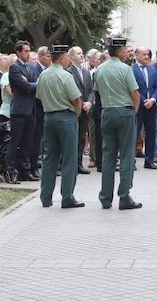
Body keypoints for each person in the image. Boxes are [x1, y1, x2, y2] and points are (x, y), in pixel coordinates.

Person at [95, 37, 143, 210]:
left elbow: (98, 92)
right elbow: (135, 94)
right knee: (127, 155)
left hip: (107, 111)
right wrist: (134, 111)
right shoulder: (125, 69)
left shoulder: (99, 69)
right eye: (125, 49)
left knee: (108, 155)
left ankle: (105, 197)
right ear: (120, 51)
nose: (126, 52)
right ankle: (124, 196)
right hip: (125, 112)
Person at [36, 45, 85, 208]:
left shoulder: (43, 75)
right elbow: (76, 100)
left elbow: (39, 96)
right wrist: (75, 115)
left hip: (49, 117)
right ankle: (67, 196)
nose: (68, 60)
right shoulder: (66, 75)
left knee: (49, 157)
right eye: (67, 57)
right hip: (66, 117)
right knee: (69, 158)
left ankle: (46, 196)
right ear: (62, 58)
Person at [8, 41, 40, 182]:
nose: (28, 53)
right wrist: (34, 84)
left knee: (28, 142)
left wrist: (33, 84)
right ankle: (10, 170)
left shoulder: (32, 67)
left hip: (31, 108)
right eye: (25, 51)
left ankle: (25, 170)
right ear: (19, 52)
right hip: (20, 110)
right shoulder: (14, 67)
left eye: (29, 50)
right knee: (15, 142)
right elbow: (25, 86)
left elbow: (33, 84)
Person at [67, 46, 94, 176]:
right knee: (73, 138)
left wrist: (89, 102)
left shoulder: (86, 72)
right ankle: (71, 164)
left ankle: (79, 163)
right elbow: (72, 91)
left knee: (82, 138)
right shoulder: (68, 72)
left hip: (86, 110)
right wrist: (82, 103)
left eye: (82, 53)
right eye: (78, 53)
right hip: (75, 109)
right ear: (71, 56)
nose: (81, 55)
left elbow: (91, 90)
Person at [132, 47, 157, 169]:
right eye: (144, 54)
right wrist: (144, 100)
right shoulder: (131, 70)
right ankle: (130, 161)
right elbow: (134, 88)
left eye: (148, 54)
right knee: (134, 133)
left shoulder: (152, 69)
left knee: (151, 133)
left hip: (151, 106)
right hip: (139, 106)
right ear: (136, 55)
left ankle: (149, 160)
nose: (147, 57)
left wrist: (153, 100)